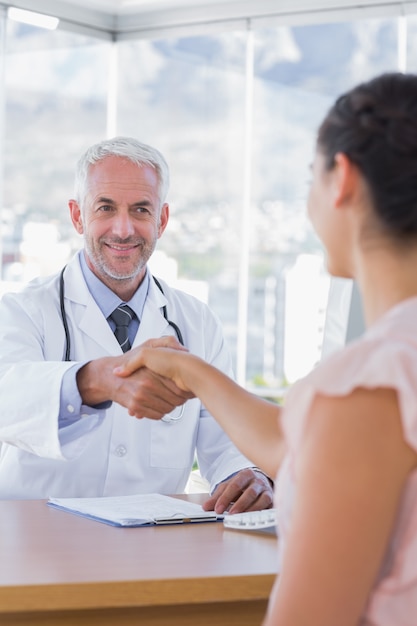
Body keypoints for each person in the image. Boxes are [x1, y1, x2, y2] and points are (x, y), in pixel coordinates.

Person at [114, 72, 417, 625]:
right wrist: (194, 373)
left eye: (310, 177)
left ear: (341, 179)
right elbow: (301, 444)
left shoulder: (367, 384)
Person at [0, 136, 273, 512]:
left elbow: (222, 434)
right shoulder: (21, 311)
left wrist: (243, 475)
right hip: (35, 544)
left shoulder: (196, 321)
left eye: (141, 210)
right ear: (78, 215)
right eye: (106, 208)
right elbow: (8, 401)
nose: (124, 229)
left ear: (161, 219)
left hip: (150, 546)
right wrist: (95, 380)